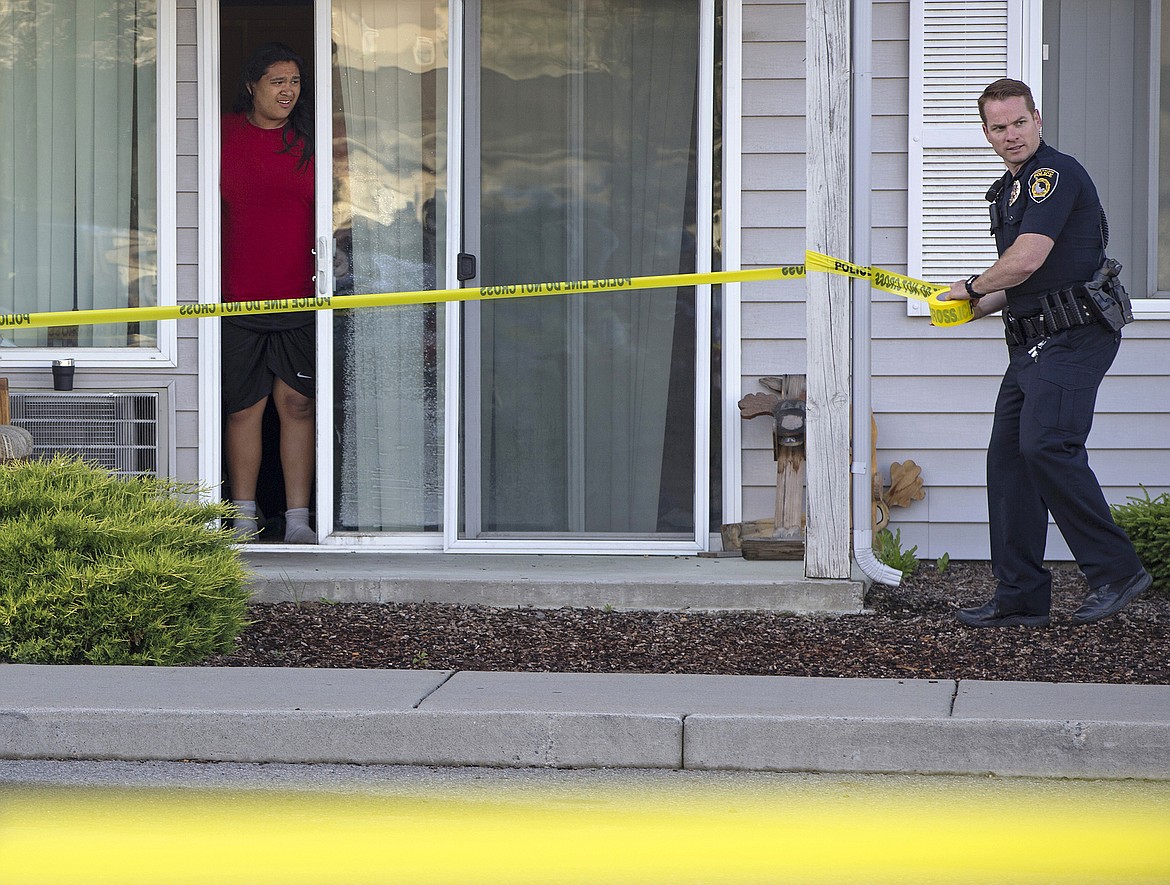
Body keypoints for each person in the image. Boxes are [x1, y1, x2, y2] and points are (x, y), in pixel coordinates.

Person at [940, 78, 1151, 628]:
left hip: (1076, 337)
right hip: (1034, 343)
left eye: (1018, 122)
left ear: (1038, 119)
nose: (1010, 135)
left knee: (1047, 445)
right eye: (998, 127)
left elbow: (1026, 260)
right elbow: (1027, 282)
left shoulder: (1052, 177)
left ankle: (1116, 570)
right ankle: (1020, 597)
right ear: (985, 133)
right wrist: (969, 306)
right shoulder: (1008, 191)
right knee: (1009, 461)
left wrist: (969, 286)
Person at [221, 42, 317, 543]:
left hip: (300, 299)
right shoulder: (221, 133)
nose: (288, 91)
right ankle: (242, 518)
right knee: (243, 407)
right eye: (278, 81)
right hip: (237, 300)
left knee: (297, 404)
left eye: (295, 81)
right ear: (252, 86)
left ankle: (298, 521)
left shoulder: (311, 140)